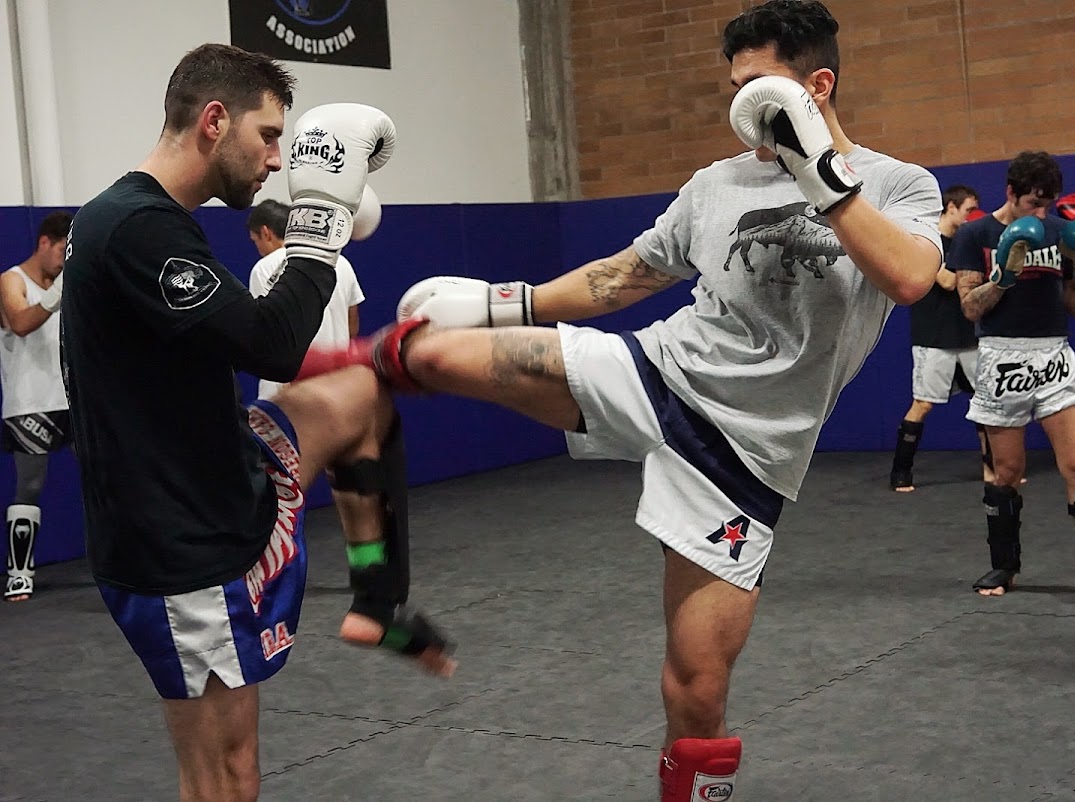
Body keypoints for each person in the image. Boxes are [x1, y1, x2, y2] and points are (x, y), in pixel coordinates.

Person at [294, 2, 943, 797]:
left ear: (820, 85)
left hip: (748, 459)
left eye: (762, 88)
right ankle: (374, 588)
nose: (743, 107)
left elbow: (909, 279)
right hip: (658, 372)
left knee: (696, 693)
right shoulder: (714, 186)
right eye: (733, 87)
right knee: (419, 352)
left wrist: (821, 171)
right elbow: (622, 277)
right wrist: (516, 302)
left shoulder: (898, 184)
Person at [59, 43, 453, 802]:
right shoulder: (136, 227)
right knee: (229, 776)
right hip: (181, 544)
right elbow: (270, 340)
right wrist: (321, 218)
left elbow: (242, 345)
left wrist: (379, 353)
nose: (277, 159)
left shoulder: (142, 218)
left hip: (222, 464)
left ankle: (375, 600)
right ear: (214, 121)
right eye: (268, 135)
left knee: (359, 395)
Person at [950, 151, 1075, 599]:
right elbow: (968, 307)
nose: (1041, 214)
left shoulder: (1062, 234)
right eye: (1032, 204)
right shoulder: (975, 234)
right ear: (1010, 193)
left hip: (1054, 356)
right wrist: (1003, 276)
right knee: (1008, 472)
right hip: (1001, 359)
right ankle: (1004, 569)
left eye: (1048, 204)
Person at [889, 187, 994, 491]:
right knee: (922, 405)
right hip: (933, 337)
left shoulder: (969, 241)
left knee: (985, 404)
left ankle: (992, 469)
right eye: (969, 209)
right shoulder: (925, 240)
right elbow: (947, 281)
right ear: (951, 207)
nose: (973, 216)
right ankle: (901, 472)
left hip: (969, 336)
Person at [0, 210, 73, 601]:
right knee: (30, 484)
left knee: (107, 479)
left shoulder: (65, 284)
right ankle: (19, 574)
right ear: (43, 242)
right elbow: (20, 322)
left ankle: (126, 563)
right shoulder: (11, 280)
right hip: (29, 401)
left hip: (72, 398)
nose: (64, 260)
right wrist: (54, 296)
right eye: (61, 250)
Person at [245, 198, 365, 400]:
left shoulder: (264, 268)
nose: (257, 248)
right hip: (338, 388)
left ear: (266, 233)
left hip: (287, 394)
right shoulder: (341, 263)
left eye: (255, 241)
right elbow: (352, 323)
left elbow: (266, 334)